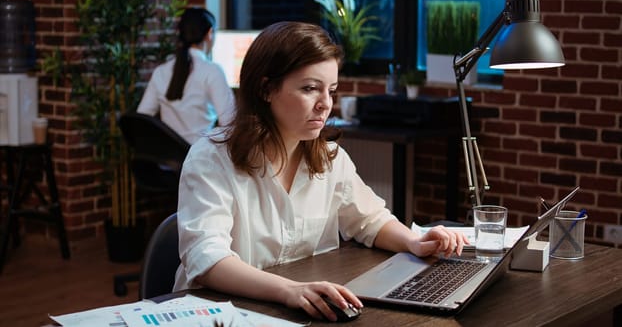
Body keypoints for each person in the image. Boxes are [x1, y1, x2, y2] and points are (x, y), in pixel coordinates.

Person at [173, 21, 468, 322]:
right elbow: (207, 259)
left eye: (331, 90)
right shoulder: (211, 158)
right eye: (310, 89)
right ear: (266, 89)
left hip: (298, 311)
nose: (325, 104)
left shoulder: (330, 157)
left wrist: (413, 242)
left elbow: (369, 220)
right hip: (221, 313)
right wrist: (289, 290)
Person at [137, 7, 235, 144]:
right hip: (202, 159)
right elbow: (230, 123)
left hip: (168, 160)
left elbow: (142, 118)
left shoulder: (161, 71)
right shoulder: (212, 71)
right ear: (210, 33)